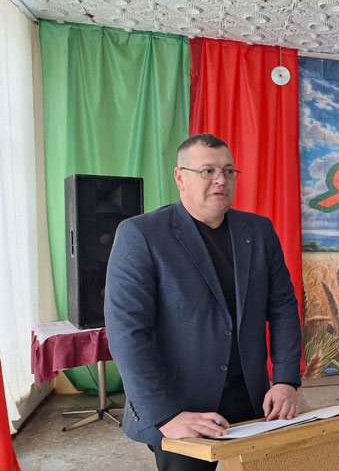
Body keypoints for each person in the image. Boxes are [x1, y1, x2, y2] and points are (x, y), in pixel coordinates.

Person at [105, 134, 301, 471]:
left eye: (228, 171)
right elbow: (127, 333)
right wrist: (166, 415)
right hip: (181, 409)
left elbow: (283, 307)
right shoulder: (141, 235)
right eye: (207, 171)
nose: (220, 180)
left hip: (254, 400)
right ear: (180, 177)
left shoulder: (259, 231)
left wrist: (285, 379)